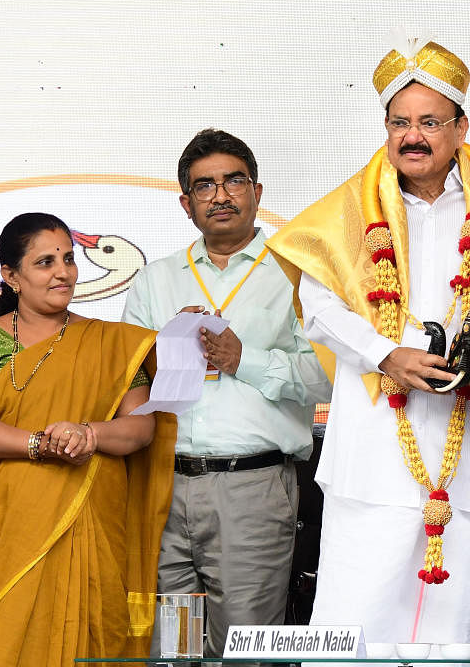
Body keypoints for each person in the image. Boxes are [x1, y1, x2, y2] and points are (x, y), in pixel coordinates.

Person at [267, 39, 470, 649]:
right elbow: (319, 308)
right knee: (360, 612)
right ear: (385, 128)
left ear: (461, 127)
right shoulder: (345, 212)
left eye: (430, 122)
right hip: (375, 445)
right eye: (401, 122)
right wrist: (387, 356)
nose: (414, 136)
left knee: (462, 621)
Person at [122, 129, 330, 657]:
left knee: (245, 650)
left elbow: (329, 378)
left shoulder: (300, 276)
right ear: (186, 203)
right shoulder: (155, 278)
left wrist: (245, 360)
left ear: (257, 192)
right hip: (164, 485)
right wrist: (162, 353)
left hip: (252, 486)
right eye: (205, 186)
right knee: (172, 648)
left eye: (233, 181)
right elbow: (127, 381)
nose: (221, 195)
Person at [0, 212, 175, 666]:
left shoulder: (112, 344)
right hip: (8, 520)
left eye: (68, 259)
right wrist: (39, 444)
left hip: (94, 512)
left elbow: (141, 426)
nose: (63, 272)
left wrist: (89, 434)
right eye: (45, 262)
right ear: (10, 275)